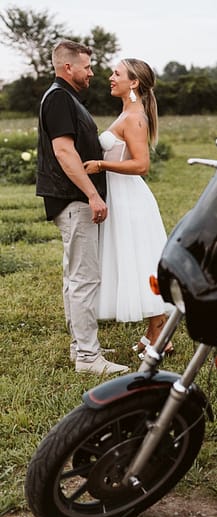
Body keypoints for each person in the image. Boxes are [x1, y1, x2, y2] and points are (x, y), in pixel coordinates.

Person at [37, 40, 129, 376]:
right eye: (87, 67)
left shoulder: (65, 97)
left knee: (75, 277)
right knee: (83, 279)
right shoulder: (60, 98)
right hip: (74, 199)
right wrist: (92, 194)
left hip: (72, 198)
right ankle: (89, 358)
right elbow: (64, 153)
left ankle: (82, 347)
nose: (92, 72)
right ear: (67, 68)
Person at [83, 58, 171, 358]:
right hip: (120, 198)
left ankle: (159, 331)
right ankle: (156, 332)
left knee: (140, 262)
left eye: (116, 73)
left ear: (133, 83)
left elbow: (141, 164)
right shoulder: (128, 113)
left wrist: (100, 164)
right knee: (135, 261)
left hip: (131, 199)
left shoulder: (134, 118)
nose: (110, 77)